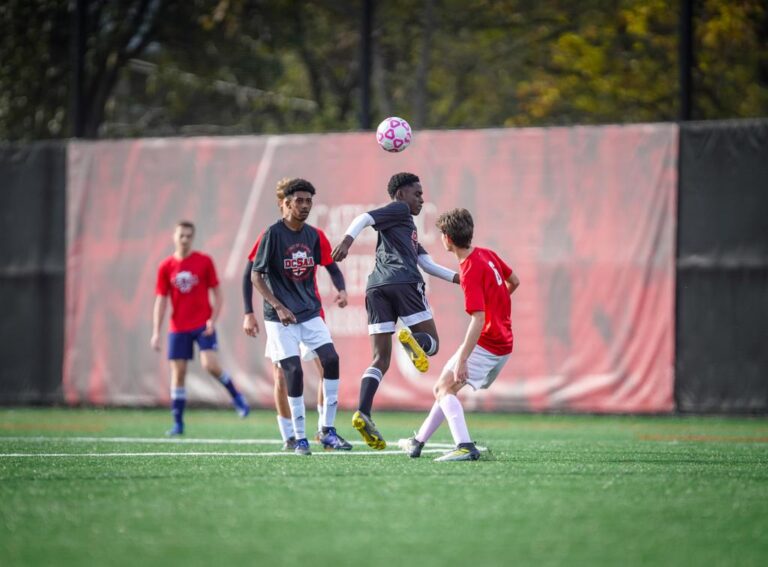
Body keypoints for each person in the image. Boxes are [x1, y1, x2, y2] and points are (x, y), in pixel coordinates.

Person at [331, 172, 459, 450]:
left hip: (376, 287)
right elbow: (364, 218)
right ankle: (413, 340)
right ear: (401, 194)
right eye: (417, 194)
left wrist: (458, 278)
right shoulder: (400, 210)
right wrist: (347, 241)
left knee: (380, 359)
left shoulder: (406, 231)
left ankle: (363, 412)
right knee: (433, 345)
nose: (422, 200)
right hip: (404, 282)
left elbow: (428, 265)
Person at [398, 208, 519, 461]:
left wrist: (463, 358)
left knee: (444, 389)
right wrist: (497, 304)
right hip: (503, 343)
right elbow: (514, 281)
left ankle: (464, 446)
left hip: (488, 344)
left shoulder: (469, 269)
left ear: (447, 239)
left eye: (442, 233)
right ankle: (418, 441)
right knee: (444, 388)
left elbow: (478, 318)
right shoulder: (487, 254)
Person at [242, 178, 349, 450]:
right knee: (290, 372)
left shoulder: (313, 235)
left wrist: (342, 289)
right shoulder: (271, 235)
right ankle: (295, 436)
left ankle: (327, 430)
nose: (305, 205)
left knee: (331, 361)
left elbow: (331, 266)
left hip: (310, 312)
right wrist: (261, 309)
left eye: (309, 201)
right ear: (285, 204)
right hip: (279, 317)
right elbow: (253, 275)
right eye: (299, 200)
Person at [151, 221, 250, 436]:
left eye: (188, 236)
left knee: (210, 365)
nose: (185, 239)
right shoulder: (165, 266)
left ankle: (237, 398)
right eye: (181, 235)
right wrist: (156, 332)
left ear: (192, 238)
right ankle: (178, 423)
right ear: (174, 236)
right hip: (178, 327)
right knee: (178, 374)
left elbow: (218, 294)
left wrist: (212, 320)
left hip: (202, 325)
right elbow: (161, 301)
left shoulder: (204, 261)